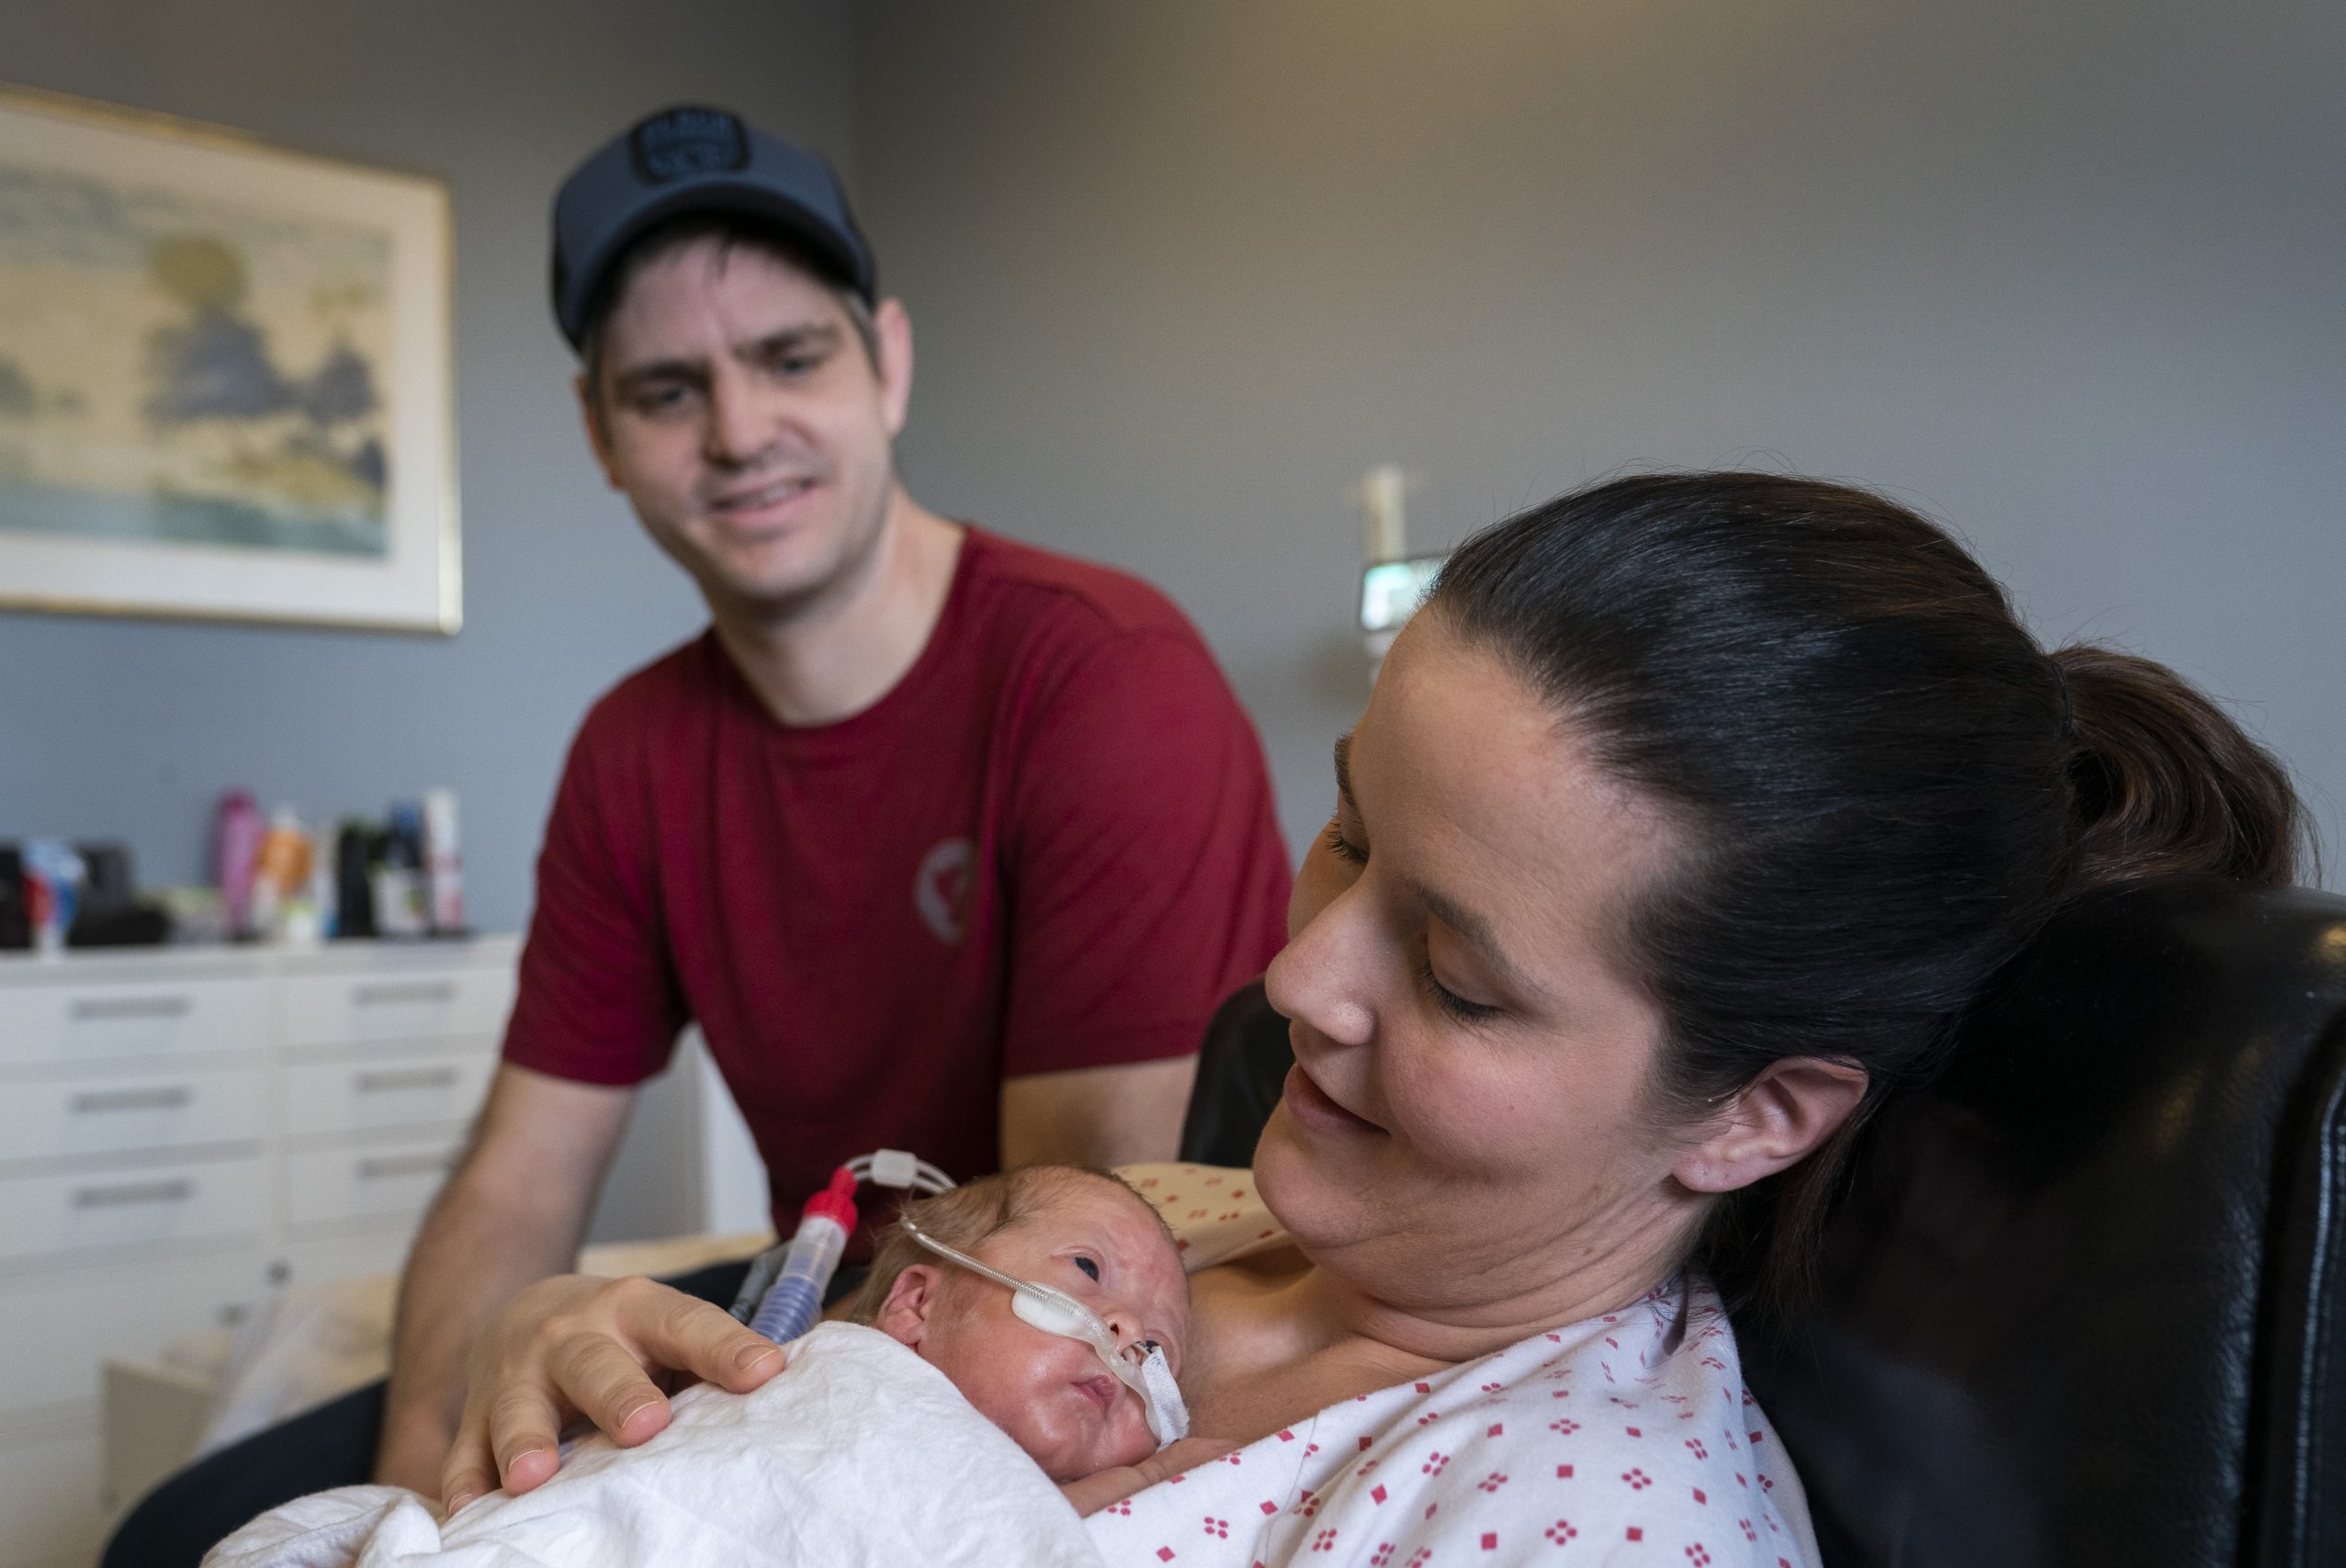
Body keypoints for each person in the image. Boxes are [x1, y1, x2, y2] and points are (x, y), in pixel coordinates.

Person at [429, 472, 2309, 1562]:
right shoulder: (1169, 1219)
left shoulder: (1576, 1514)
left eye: (1454, 976)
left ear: (1750, 1112)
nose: (1293, 977)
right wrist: (592, 1347)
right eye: (1341, 833)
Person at [367, 105, 1291, 1498]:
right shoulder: (634, 752)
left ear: (889, 362)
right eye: (669, 389)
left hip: (999, 1378)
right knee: (194, 1526)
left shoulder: (1101, 678)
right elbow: (516, 1181)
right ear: (601, 432)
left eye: (791, 358)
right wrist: (417, 1501)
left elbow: (1060, 1265)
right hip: (830, 1316)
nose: (741, 431)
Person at [202, 1168, 1225, 1568]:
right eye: (1086, 1275)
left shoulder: (1032, 1511)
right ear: (916, 1303)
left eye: (1157, 1352)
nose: (1123, 1335)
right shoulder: (835, 1375)